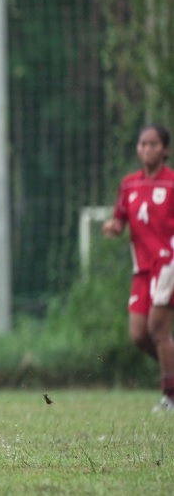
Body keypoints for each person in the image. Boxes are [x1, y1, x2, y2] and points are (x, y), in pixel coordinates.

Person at [102, 124, 174, 412]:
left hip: (168, 263)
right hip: (141, 269)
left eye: (153, 144)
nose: (147, 149)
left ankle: (169, 397)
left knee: (157, 328)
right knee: (139, 336)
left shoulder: (172, 184)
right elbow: (120, 219)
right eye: (142, 144)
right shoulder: (129, 184)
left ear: (165, 149)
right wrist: (113, 227)